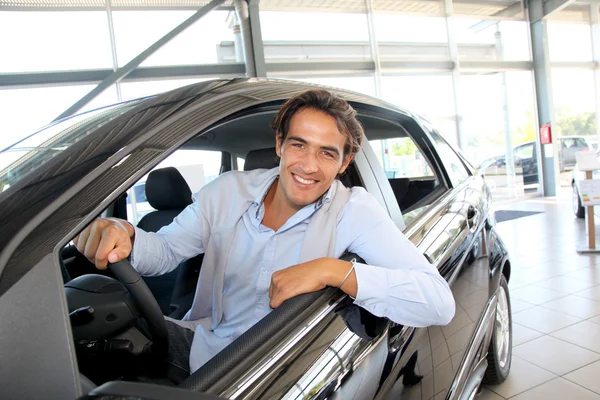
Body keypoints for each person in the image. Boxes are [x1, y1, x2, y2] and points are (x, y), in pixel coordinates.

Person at [74, 89, 455, 380]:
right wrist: (126, 234)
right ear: (279, 145)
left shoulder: (353, 210)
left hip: (284, 372)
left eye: (327, 153)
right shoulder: (227, 192)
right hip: (207, 355)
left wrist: (333, 271)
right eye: (299, 145)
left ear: (344, 164)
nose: (308, 165)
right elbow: (166, 251)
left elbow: (438, 302)